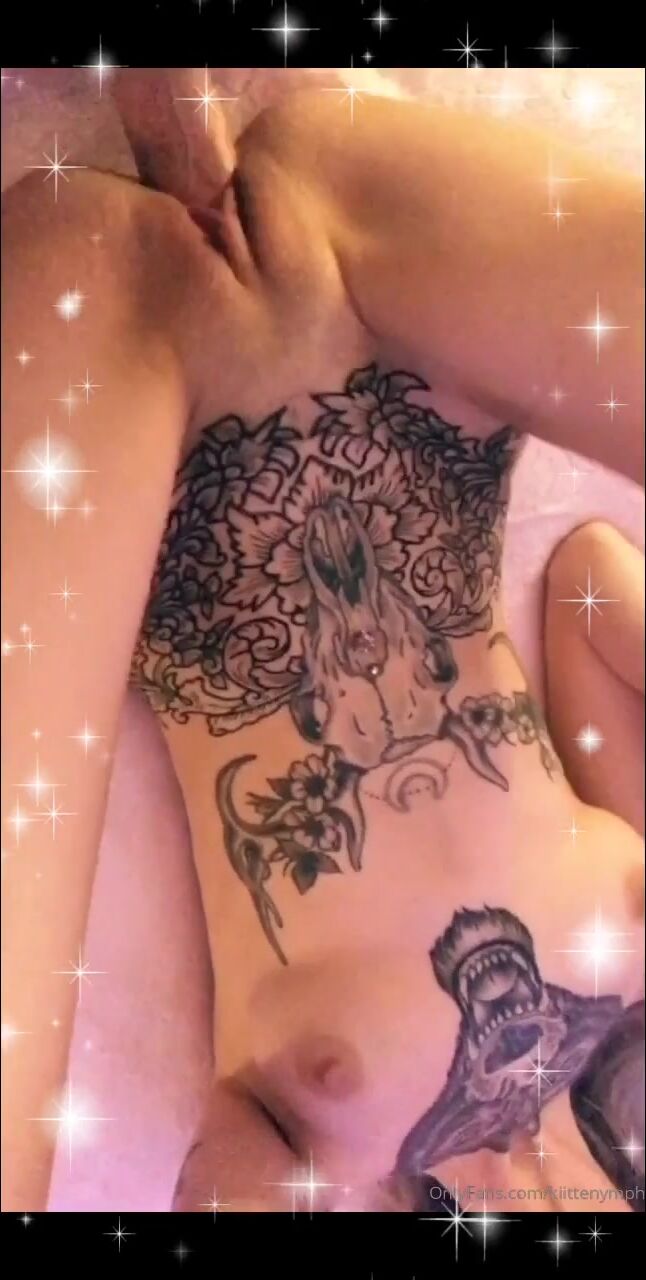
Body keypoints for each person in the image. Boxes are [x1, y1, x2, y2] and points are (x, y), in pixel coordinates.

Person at [2, 71, 643, 1214]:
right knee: (310, 167)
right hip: (385, 302)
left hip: (135, 402)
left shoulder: (344, 1170)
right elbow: (591, 588)